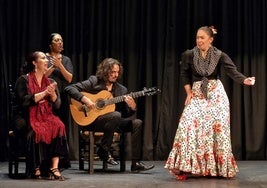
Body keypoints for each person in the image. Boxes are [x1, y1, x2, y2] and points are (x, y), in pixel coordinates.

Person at [164, 26, 255, 180]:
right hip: (197, 93)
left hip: (216, 94)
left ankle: (218, 168)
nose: (199, 40)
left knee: (217, 129)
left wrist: (245, 80)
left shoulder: (219, 55)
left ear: (210, 40)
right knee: (187, 124)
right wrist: (188, 94)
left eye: (202, 38)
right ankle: (187, 167)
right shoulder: (189, 54)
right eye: (197, 37)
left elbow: (232, 71)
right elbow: (184, 74)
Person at [64, 58, 155, 172]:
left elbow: (125, 114)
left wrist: (132, 107)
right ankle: (104, 151)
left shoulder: (122, 90)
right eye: (112, 72)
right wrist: (85, 99)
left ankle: (135, 163)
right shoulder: (94, 81)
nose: (115, 75)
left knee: (137, 123)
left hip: (113, 122)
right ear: (104, 71)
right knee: (115, 115)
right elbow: (69, 88)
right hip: (93, 121)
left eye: (117, 72)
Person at [14, 51, 70, 180]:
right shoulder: (23, 80)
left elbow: (57, 105)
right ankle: (36, 167)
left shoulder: (50, 81)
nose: (47, 61)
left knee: (58, 125)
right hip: (25, 116)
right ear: (34, 63)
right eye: (43, 58)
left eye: (47, 59)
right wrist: (44, 93)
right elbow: (24, 101)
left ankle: (54, 167)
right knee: (37, 129)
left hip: (45, 115)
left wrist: (52, 95)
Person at [44, 33, 73, 143]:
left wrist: (60, 65)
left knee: (62, 123)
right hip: (47, 96)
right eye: (57, 40)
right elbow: (41, 77)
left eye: (61, 40)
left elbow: (69, 78)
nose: (60, 42)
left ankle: (62, 154)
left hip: (63, 95)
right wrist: (53, 66)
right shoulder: (44, 58)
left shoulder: (66, 60)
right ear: (51, 45)